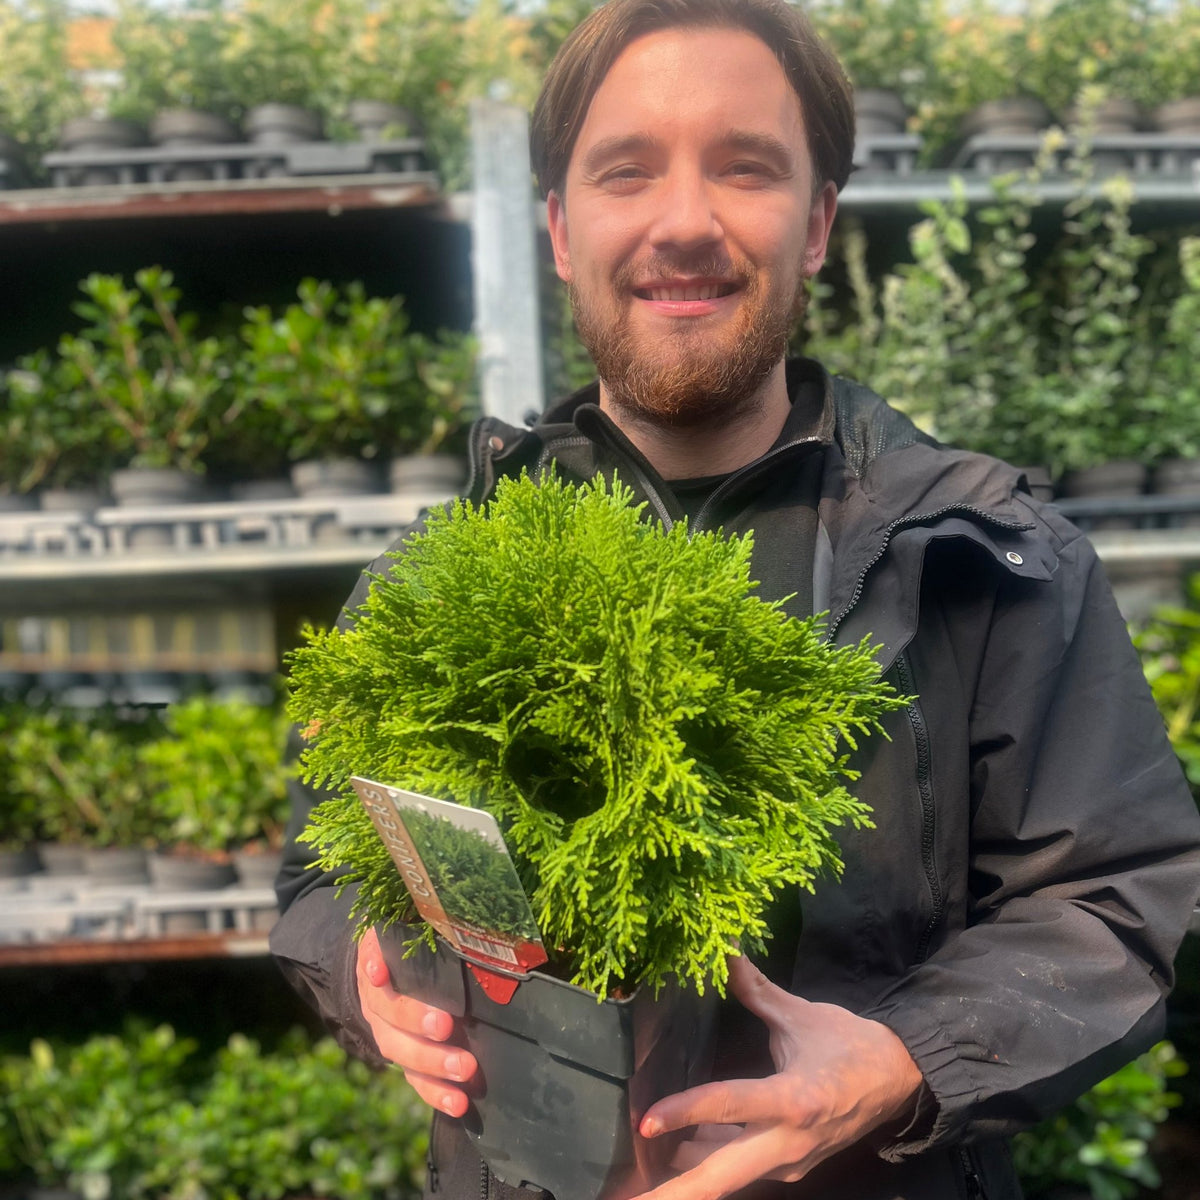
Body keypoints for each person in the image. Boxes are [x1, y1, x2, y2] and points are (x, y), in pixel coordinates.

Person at [271, 1, 1200, 1197]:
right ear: (559, 228)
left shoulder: (986, 560)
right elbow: (321, 875)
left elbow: (1116, 896)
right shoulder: (431, 586)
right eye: (626, 172)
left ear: (816, 224)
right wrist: (367, 974)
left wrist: (904, 1060)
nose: (685, 222)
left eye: (747, 168)